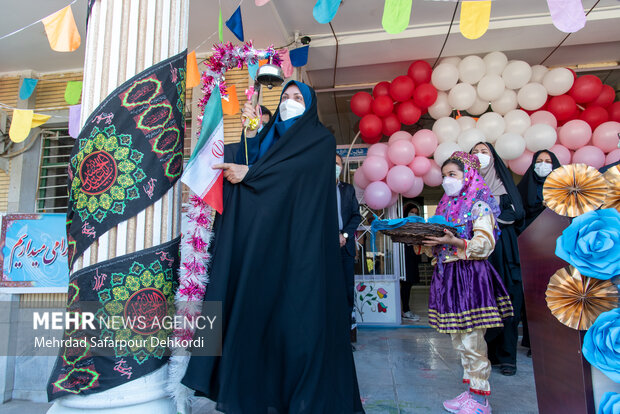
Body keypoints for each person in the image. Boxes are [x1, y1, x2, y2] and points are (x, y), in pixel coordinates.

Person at [182, 81, 365, 414]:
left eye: (297, 98)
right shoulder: (269, 137)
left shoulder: (320, 140)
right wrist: (251, 135)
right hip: (262, 250)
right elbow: (240, 172)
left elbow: (292, 177)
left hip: (301, 253)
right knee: (257, 323)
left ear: (309, 106)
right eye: (285, 97)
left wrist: (251, 172)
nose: (289, 102)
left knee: (298, 332)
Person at [416, 151, 513, 414]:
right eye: (444, 176)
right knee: (459, 340)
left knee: (472, 340)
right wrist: (425, 244)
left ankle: (481, 400)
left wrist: (455, 242)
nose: (447, 180)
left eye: (453, 175)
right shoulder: (445, 207)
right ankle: (471, 391)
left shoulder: (479, 205)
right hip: (448, 276)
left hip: (470, 277)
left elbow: (485, 244)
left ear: (468, 176)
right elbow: (439, 246)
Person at [470, 142, 525, 376]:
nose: (479, 156)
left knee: (509, 302)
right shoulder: (468, 187)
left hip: (504, 250)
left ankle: (507, 357)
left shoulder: (504, 185)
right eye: (475, 152)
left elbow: (517, 213)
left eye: (484, 152)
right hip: (479, 253)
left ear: (494, 158)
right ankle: (488, 353)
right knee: (483, 303)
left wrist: (491, 219)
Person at [335, 153, 362, 341]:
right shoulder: (317, 190)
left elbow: (356, 216)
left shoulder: (348, 189)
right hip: (325, 248)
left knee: (346, 292)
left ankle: (346, 336)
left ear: (342, 167)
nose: (334, 166)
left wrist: (344, 235)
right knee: (327, 291)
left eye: (337, 163)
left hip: (345, 248)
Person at [517, 149, 562, 230]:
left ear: (554, 164)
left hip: (556, 230)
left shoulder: (563, 185)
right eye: (539, 161)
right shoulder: (525, 184)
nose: (542, 165)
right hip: (528, 231)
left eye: (548, 162)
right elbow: (519, 210)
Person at [401, 203, 421, 321]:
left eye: (416, 213)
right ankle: (405, 309)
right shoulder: (402, 224)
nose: (414, 215)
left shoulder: (417, 225)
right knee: (405, 284)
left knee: (409, 284)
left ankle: (405, 309)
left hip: (412, 256)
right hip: (404, 257)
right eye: (412, 212)